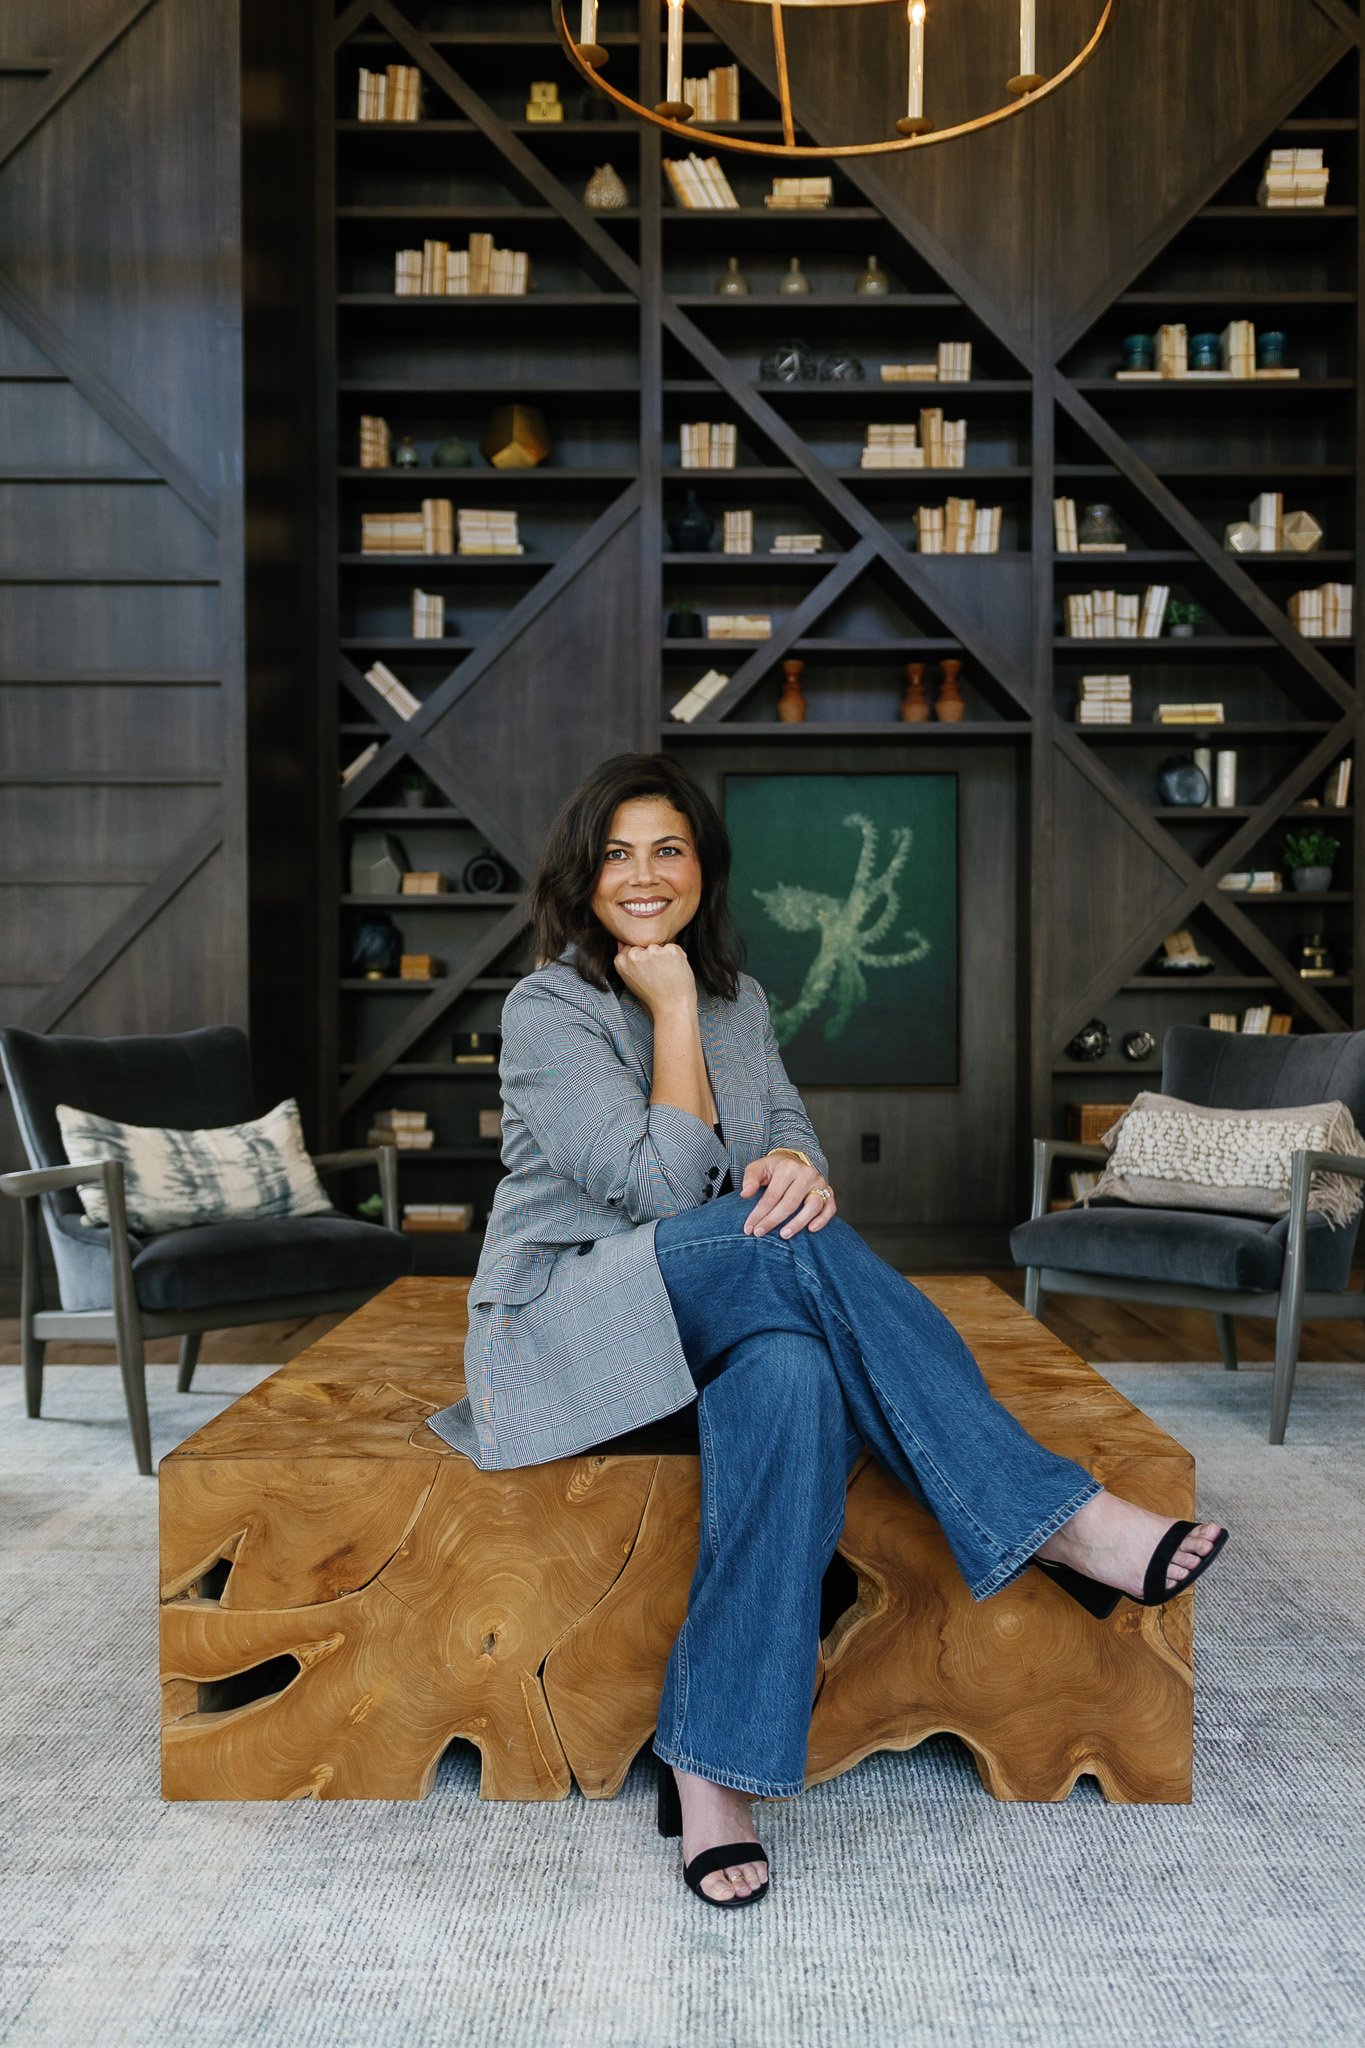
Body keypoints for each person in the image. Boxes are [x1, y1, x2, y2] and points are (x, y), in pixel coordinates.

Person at [428, 753, 1228, 1910]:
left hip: (717, 1319)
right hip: (569, 1329)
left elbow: (785, 1132)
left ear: (703, 865)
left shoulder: (740, 1003)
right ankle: (1061, 1517)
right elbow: (663, 1187)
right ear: (580, 874)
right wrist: (661, 1011)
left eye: (668, 848)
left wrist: (799, 1162)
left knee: (798, 1374)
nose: (644, 874)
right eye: (616, 852)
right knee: (770, 1241)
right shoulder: (549, 1008)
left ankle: (710, 1768)